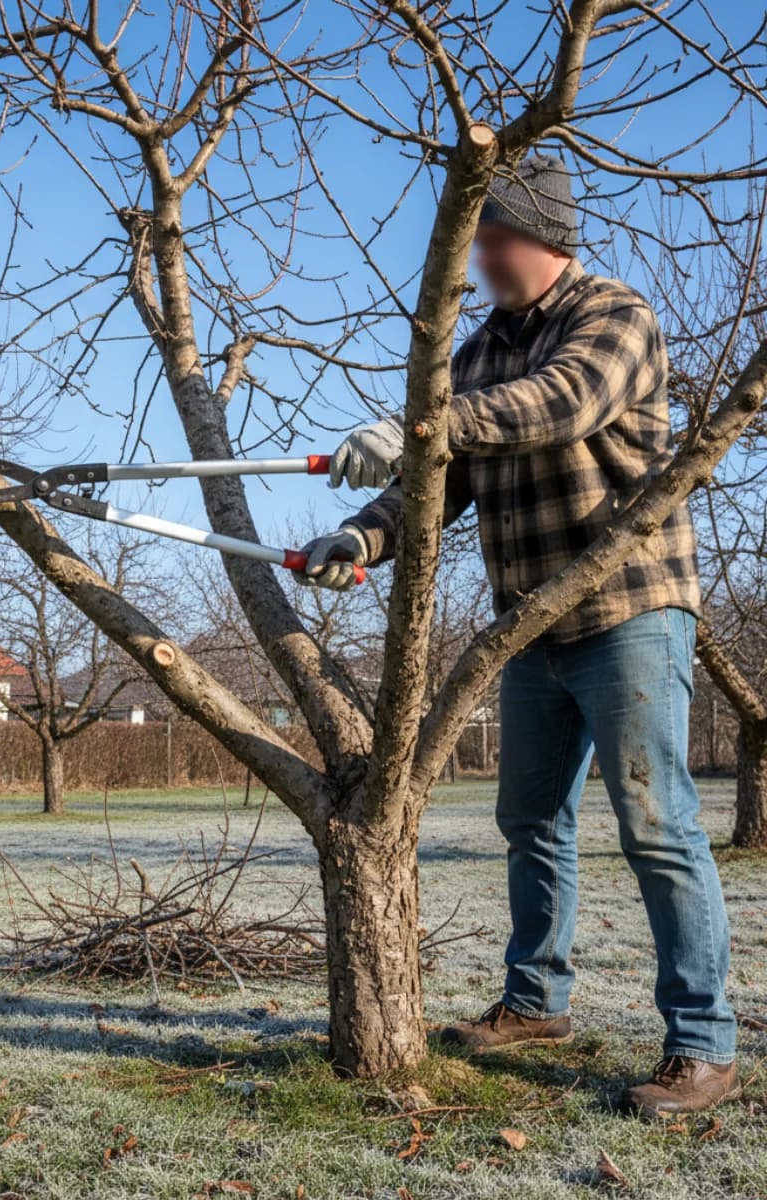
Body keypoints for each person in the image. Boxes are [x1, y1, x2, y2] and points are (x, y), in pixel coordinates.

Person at [298, 153, 740, 1118]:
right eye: (476, 243)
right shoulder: (478, 352)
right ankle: (538, 1000)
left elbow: (564, 403)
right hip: (529, 629)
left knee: (657, 824)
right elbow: (438, 482)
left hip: (628, 609)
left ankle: (703, 1047)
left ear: (542, 236)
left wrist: (426, 421)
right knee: (529, 821)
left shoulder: (613, 315)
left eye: (493, 241)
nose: (482, 261)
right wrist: (361, 534)